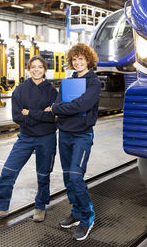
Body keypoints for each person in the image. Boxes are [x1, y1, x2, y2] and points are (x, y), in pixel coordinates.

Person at [0, 56, 57, 223]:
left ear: (44, 70)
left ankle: (40, 207)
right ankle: (1, 207)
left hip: (46, 138)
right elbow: (17, 116)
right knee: (8, 171)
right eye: (33, 67)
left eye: (40, 67)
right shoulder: (20, 90)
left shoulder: (52, 91)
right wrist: (42, 115)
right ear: (28, 69)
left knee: (43, 174)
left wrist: (30, 113)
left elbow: (54, 117)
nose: (36, 70)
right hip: (25, 137)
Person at [50, 43, 101, 241]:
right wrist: (61, 108)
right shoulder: (68, 81)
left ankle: (88, 218)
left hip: (82, 134)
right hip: (64, 133)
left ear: (88, 60)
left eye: (81, 58)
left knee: (75, 176)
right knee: (66, 176)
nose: (78, 62)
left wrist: (60, 109)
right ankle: (77, 212)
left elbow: (82, 104)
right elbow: (57, 103)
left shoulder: (93, 82)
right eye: (74, 59)